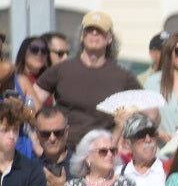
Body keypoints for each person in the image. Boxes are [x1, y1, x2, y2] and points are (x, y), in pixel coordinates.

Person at [31, 12, 142, 147]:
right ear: (82, 36)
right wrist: (38, 137)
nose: (94, 33)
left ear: (110, 39)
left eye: (100, 31)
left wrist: (126, 128)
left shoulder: (123, 76)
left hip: (103, 153)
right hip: (64, 153)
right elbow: (30, 102)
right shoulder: (61, 70)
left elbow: (150, 112)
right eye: (89, 30)